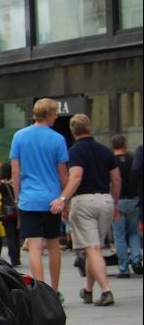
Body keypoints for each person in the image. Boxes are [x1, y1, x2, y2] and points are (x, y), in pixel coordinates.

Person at [10, 97, 69, 298]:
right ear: (49, 114)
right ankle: (54, 290)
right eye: (55, 113)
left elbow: (15, 173)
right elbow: (63, 174)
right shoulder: (58, 139)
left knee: (34, 246)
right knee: (53, 246)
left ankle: (40, 291)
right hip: (52, 199)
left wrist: (17, 197)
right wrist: (64, 198)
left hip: (28, 199)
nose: (56, 117)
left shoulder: (19, 137)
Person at [61, 114, 119, 306]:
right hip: (106, 201)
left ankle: (106, 290)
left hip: (84, 201)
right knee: (92, 247)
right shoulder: (105, 150)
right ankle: (88, 290)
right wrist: (115, 203)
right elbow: (116, 180)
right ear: (90, 127)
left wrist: (63, 199)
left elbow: (76, 177)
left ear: (72, 130)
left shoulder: (75, 151)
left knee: (92, 248)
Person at [110, 134, 141, 278]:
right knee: (133, 232)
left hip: (118, 200)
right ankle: (137, 259)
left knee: (119, 236)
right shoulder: (132, 159)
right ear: (125, 144)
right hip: (133, 199)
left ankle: (123, 268)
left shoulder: (111, 161)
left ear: (113, 145)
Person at [0, 163, 21, 266]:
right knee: (17, 235)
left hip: (7, 214)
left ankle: (13, 259)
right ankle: (17, 258)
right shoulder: (16, 182)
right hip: (18, 212)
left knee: (10, 236)